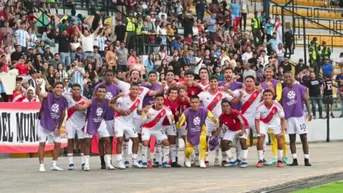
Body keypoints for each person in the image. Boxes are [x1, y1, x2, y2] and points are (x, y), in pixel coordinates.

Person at [198, 76, 237, 166]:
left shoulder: (221, 93)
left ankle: (223, 158)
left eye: (215, 82)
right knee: (205, 139)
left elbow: (234, 100)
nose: (213, 83)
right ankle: (206, 159)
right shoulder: (203, 94)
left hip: (219, 120)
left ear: (217, 83)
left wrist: (236, 94)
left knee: (221, 139)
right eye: (211, 82)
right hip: (207, 120)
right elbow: (193, 101)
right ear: (209, 83)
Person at [176, 95, 218, 168]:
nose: (194, 104)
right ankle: (188, 159)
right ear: (190, 103)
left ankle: (202, 161)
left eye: (196, 102)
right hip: (190, 132)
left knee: (202, 142)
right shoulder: (186, 111)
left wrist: (215, 120)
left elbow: (213, 119)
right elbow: (179, 125)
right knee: (189, 150)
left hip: (201, 130)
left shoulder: (204, 110)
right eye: (192, 102)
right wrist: (179, 122)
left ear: (199, 103)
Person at [82, 85, 118, 171]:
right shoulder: (91, 101)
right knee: (87, 142)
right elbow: (83, 106)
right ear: (96, 93)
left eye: (103, 92)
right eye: (100, 91)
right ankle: (86, 164)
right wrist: (79, 107)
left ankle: (109, 163)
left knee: (107, 140)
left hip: (100, 122)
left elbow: (116, 108)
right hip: (90, 121)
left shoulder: (107, 101)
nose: (101, 93)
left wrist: (124, 112)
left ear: (106, 93)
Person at [35, 81, 68, 172]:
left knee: (58, 144)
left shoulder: (64, 100)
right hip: (43, 122)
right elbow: (38, 92)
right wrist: (38, 85)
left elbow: (63, 114)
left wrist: (59, 128)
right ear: (54, 88)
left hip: (54, 124)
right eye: (57, 87)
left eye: (61, 87)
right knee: (42, 143)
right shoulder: (48, 95)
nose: (59, 89)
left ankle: (54, 164)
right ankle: (41, 165)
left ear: (63, 89)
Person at [282, 72, 312, 166]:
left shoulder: (300, 87)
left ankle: (306, 159)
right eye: (286, 77)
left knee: (303, 137)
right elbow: (283, 103)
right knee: (291, 139)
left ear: (293, 77)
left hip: (299, 116)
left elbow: (306, 99)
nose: (287, 78)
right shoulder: (284, 90)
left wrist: (310, 112)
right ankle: (294, 159)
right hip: (289, 117)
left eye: (289, 76)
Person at [93, 70, 121, 169]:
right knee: (101, 140)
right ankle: (102, 161)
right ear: (104, 76)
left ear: (113, 76)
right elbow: (94, 100)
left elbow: (117, 102)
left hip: (110, 116)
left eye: (111, 75)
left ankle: (109, 160)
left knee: (110, 139)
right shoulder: (98, 87)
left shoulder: (116, 88)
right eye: (107, 75)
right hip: (101, 117)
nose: (109, 77)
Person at [113, 83, 144, 169]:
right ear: (130, 90)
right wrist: (120, 111)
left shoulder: (139, 99)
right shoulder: (123, 97)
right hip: (119, 120)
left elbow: (139, 112)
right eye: (133, 89)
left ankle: (134, 160)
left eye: (136, 89)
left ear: (138, 91)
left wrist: (144, 111)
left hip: (129, 122)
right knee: (120, 140)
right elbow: (111, 104)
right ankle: (119, 161)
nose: (134, 91)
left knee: (136, 140)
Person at [141, 94, 174, 168]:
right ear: (155, 101)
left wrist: (172, 119)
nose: (160, 101)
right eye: (158, 100)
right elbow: (142, 121)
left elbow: (171, 121)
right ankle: (144, 161)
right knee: (145, 143)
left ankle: (165, 161)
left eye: (161, 100)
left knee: (166, 142)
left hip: (158, 129)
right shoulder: (148, 108)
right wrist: (146, 117)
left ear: (163, 101)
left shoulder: (167, 110)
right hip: (147, 128)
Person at [212, 100, 249, 167]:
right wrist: (213, 137)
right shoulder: (221, 116)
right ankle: (232, 160)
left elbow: (243, 123)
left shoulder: (236, 113)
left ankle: (244, 160)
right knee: (224, 142)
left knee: (242, 141)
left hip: (243, 128)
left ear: (230, 107)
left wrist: (242, 131)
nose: (225, 108)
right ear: (222, 108)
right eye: (223, 106)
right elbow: (219, 128)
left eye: (227, 106)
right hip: (232, 129)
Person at [255, 90, 286, 168]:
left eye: (269, 95)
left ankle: (280, 160)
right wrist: (258, 132)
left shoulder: (277, 105)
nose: (267, 97)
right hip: (263, 122)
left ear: (272, 96)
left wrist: (282, 131)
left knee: (279, 138)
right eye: (265, 95)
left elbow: (282, 119)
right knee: (260, 138)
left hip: (275, 121)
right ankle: (260, 160)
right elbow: (257, 120)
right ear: (263, 96)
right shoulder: (259, 106)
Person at [64, 83, 89, 170]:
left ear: (80, 91)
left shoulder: (85, 100)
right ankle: (71, 163)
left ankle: (83, 162)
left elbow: (87, 111)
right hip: (70, 122)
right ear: (71, 91)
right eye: (74, 89)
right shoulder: (67, 96)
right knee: (70, 140)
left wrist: (81, 108)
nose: (76, 91)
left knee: (82, 142)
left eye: (78, 89)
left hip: (81, 123)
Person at [161, 87, 182, 167]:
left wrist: (177, 115)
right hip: (161, 124)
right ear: (168, 93)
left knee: (172, 140)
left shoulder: (178, 102)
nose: (174, 94)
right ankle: (159, 160)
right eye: (172, 93)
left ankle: (173, 160)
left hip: (171, 124)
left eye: (175, 93)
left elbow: (179, 114)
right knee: (161, 142)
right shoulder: (163, 100)